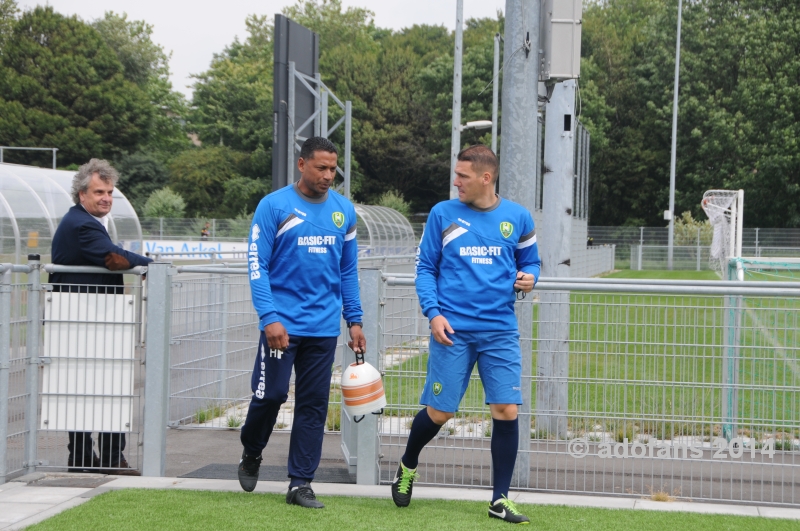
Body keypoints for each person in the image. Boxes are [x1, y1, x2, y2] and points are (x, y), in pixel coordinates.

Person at [392, 145, 540, 524]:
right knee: (440, 413)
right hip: (452, 331)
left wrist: (530, 278)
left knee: (506, 410)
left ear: (485, 178)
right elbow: (425, 268)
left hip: (500, 330)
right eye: (455, 175)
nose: (455, 182)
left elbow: (531, 261)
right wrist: (434, 314)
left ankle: (500, 499)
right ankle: (408, 464)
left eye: (463, 176)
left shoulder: (518, 218)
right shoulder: (443, 214)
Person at [238, 137, 366, 508]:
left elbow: (348, 271)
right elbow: (256, 265)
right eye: (321, 168)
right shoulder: (273, 206)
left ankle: (300, 483)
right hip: (282, 327)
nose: (328, 176)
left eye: (333, 169)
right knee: (272, 395)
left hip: (324, 328)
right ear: (301, 164)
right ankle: (252, 449)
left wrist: (354, 320)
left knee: (313, 405)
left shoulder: (344, 212)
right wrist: (269, 317)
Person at [50, 158, 153, 476]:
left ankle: (88, 458)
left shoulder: (85, 222)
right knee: (100, 388)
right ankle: (103, 459)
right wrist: (151, 263)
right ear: (82, 194)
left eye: (109, 192)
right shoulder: (81, 224)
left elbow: (114, 257)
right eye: (99, 191)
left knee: (93, 389)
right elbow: (114, 257)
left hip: (90, 318)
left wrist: (123, 259)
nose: (106, 197)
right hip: (85, 319)